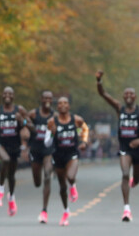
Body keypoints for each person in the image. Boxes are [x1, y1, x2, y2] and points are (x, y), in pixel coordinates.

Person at [96, 70, 138, 222]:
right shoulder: (119, 108)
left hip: (138, 149)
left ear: (135, 97)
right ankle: (126, 209)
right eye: (125, 93)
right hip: (125, 148)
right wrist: (99, 81)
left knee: (136, 178)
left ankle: (136, 179)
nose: (128, 96)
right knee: (125, 174)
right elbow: (104, 95)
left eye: (131, 94)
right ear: (123, 96)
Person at [0, 87, 32, 216]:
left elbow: (30, 126)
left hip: (14, 145)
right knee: (5, 160)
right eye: (5, 93)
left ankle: (11, 197)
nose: (7, 95)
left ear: (13, 96)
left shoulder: (20, 110)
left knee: (11, 176)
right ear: (2, 95)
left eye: (10, 94)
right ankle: (0, 191)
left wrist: (21, 120)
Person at [45, 97, 88, 226]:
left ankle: (73, 186)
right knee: (62, 187)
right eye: (60, 103)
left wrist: (84, 142)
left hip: (72, 153)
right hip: (58, 155)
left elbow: (85, 129)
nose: (62, 105)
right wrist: (52, 134)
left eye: (65, 103)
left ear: (69, 106)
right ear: (57, 107)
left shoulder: (77, 120)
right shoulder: (52, 122)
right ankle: (65, 211)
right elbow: (47, 143)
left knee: (70, 176)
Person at [28, 91, 54, 223]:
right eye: (45, 98)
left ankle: (44, 210)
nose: (47, 100)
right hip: (35, 150)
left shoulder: (55, 116)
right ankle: (39, 179)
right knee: (37, 182)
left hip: (48, 150)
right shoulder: (33, 114)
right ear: (41, 99)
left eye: (50, 98)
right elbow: (25, 125)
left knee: (48, 175)